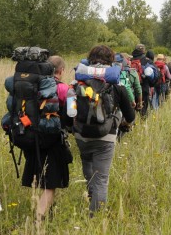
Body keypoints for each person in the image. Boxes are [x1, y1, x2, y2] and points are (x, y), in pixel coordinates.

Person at [72, 45, 136, 216]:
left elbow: (69, 110)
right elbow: (130, 115)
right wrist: (123, 121)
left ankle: (92, 193)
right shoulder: (117, 84)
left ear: (90, 59)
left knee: (87, 164)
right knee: (101, 178)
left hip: (81, 133)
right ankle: (95, 217)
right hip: (105, 135)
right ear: (111, 60)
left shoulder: (78, 81)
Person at [21, 55, 73, 222]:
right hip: (52, 140)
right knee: (50, 183)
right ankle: (38, 221)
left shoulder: (31, 85)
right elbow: (71, 114)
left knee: (40, 177)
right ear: (61, 70)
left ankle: (47, 213)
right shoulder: (63, 88)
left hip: (30, 137)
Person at [131, 44, 152, 117]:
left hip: (132, 87)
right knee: (143, 108)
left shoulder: (131, 60)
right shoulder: (147, 60)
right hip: (144, 86)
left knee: (133, 107)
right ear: (143, 50)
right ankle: (143, 122)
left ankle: (133, 124)